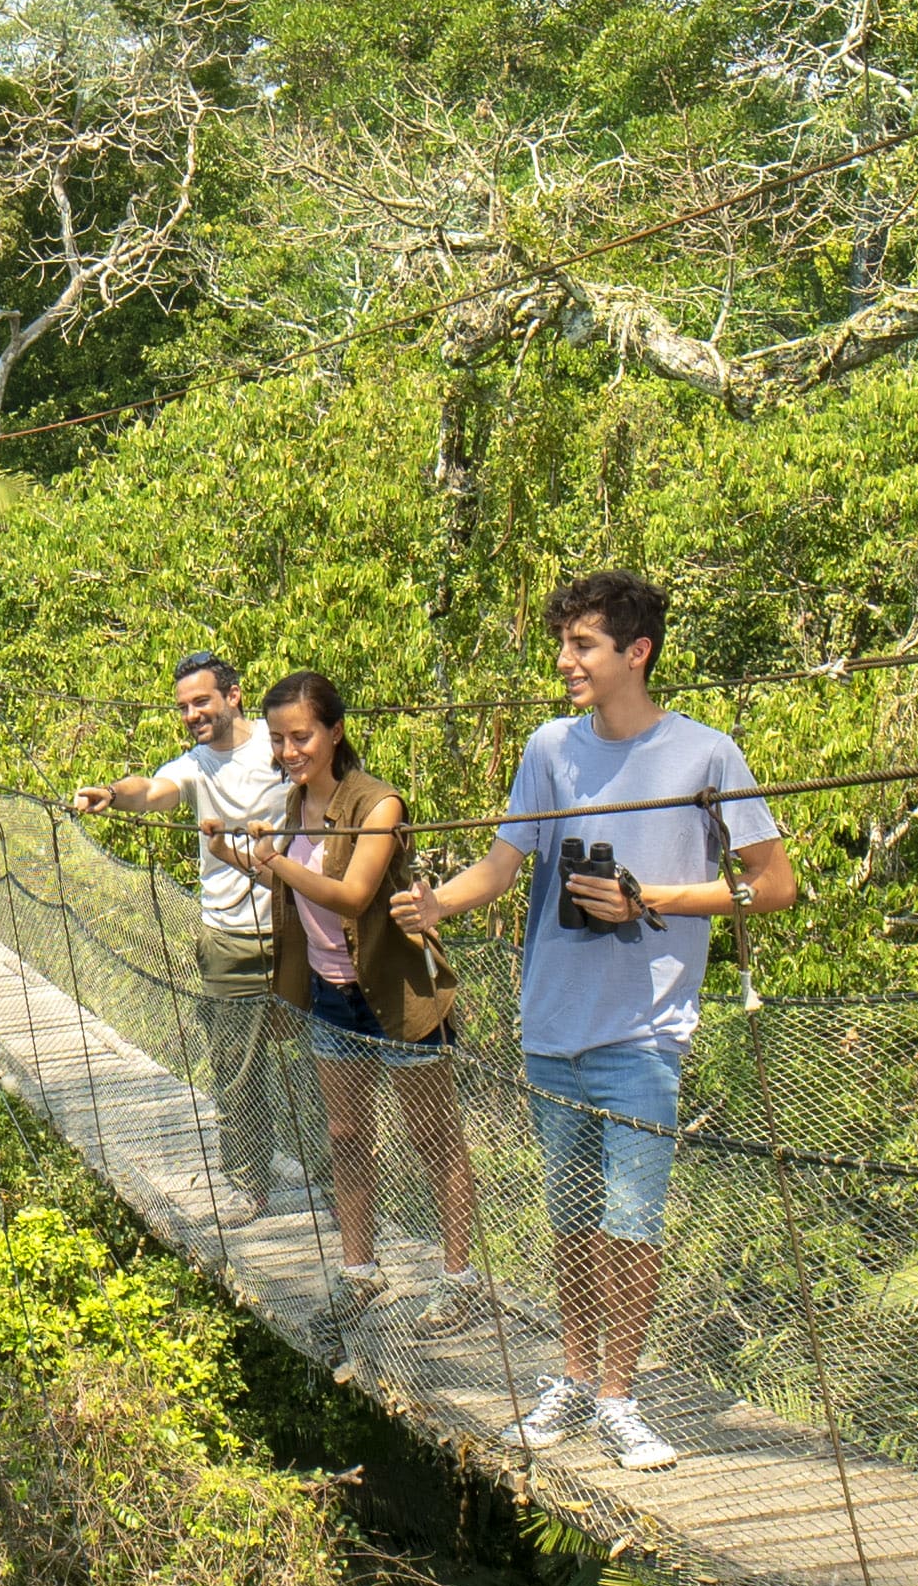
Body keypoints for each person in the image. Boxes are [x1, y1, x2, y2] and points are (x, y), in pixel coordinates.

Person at [406, 568, 799, 1473]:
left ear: (637, 652)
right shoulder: (549, 748)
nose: (566, 660)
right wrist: (438, 907)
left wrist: (647, 900)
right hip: (552, 1026)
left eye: (584, 645)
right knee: (574, 1219)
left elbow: (771, 887)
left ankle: (620, 1397)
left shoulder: (707, 756)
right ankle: (575, 1380)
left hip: (644, 1033)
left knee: (633, 1222)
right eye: (566, 643)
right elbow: (502, 866)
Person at [241, 668, 482, 1307]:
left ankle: (460, 1281)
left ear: (335, 731)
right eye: (278, 740)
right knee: (346, 1133)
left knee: (433, 1136)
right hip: (328, 992)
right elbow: (290, 887)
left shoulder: (379, 804)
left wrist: (276, 861)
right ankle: (359, 1270)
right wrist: (244, 856)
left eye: (301, 737)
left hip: (395, 991)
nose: (289, 752)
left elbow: (352, 896)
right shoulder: (295, 806)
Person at [70, 648, 313, 1222]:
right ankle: (248, 1184)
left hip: (297, 928)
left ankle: (326, 1180)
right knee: (235, 1066)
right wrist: (111, 792)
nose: (192, 714)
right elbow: (152, 790)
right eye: (183, 706)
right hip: (228, 934)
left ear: (233, 695)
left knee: (314, 1060)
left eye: (201, 700)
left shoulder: (280, 748)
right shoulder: (196, 763)